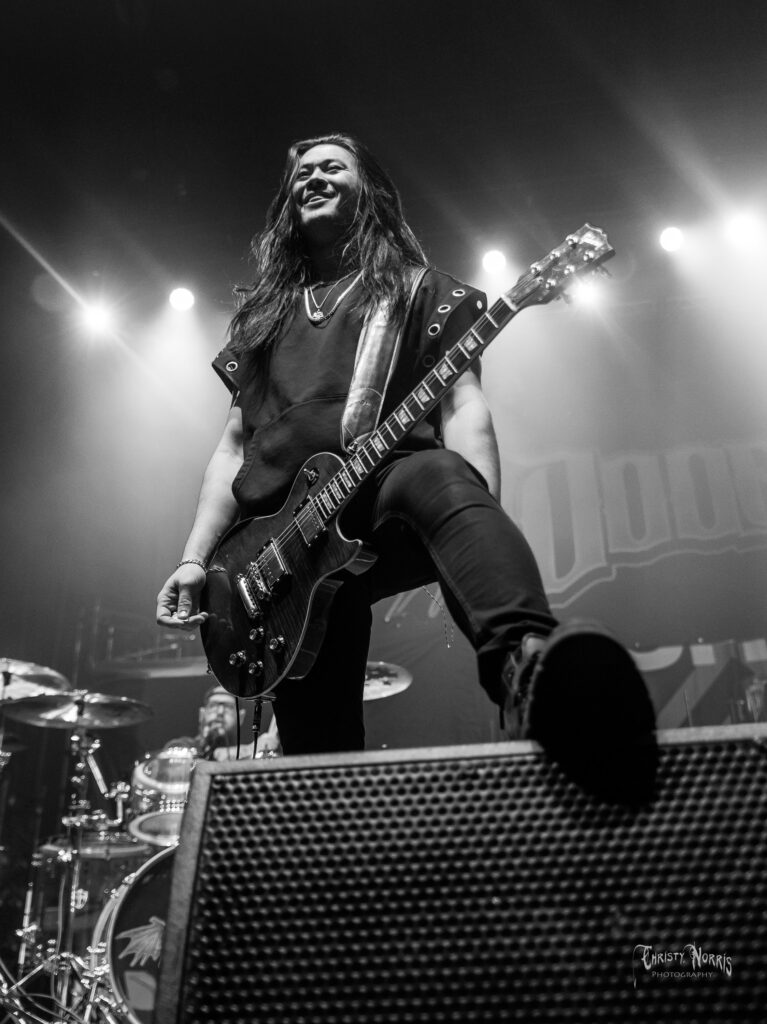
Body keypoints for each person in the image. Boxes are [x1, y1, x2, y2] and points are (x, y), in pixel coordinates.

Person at [156, 132, 655, 769]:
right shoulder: (263, 319)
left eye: (332, 167)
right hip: (277, 558)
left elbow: (463, 408)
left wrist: (472, 521)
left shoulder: (418, 291)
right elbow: (233, 448)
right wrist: (195, 559)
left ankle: (528, 667)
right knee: (320, 759)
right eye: (302, 173)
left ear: (369, 192)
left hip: (383, 494)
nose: (314, 178)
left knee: (438, 472)